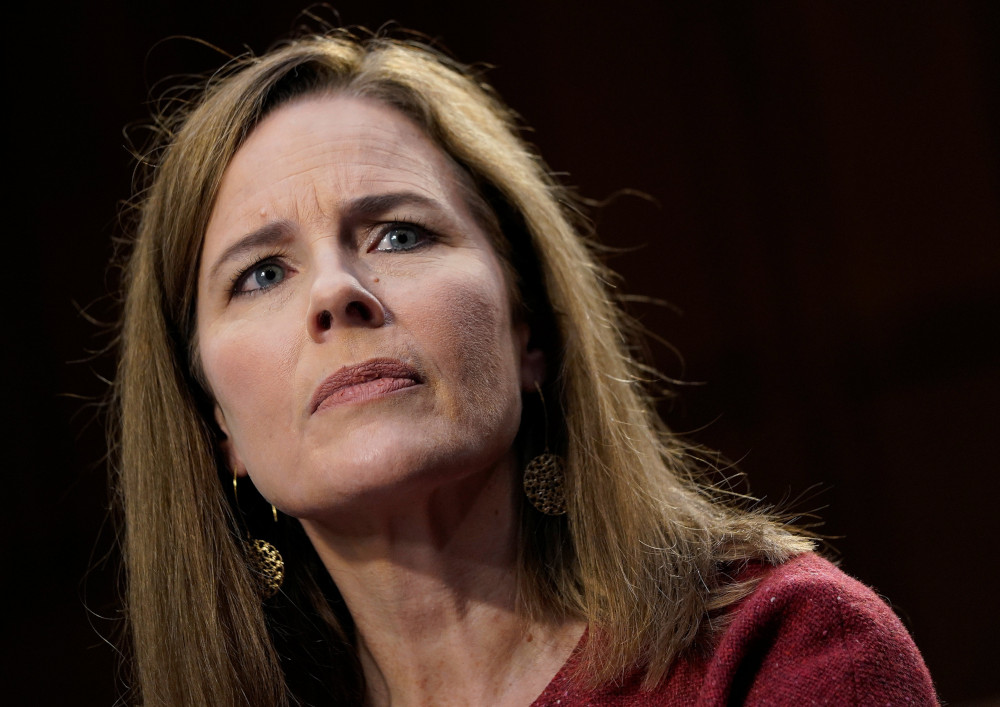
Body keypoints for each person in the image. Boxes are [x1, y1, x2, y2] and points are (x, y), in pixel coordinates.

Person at [112, 27, 937, 705]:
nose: (336, 290)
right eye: (261, 273)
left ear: (528, 330)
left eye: (399, 233)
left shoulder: (779, 649)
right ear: (218, 424)